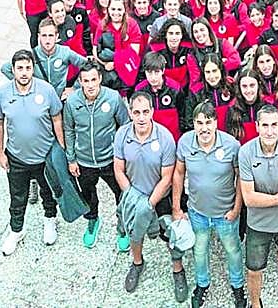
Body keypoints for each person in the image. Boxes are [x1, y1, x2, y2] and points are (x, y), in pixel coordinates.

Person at [114, 91, 186, 300]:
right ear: (130, 113)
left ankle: (177, 269)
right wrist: (133, 198)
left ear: (152, 111)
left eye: (145, 111)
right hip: (133, 195)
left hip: (160, 197)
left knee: (170, 236)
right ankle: (137, 262)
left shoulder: (165, 137)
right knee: (134, 232)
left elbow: (167, 177)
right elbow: (119, 169)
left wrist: (150, 203)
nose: (141, 117)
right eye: (136, 112)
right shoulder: (122, 135)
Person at [173, 102, 245, 307]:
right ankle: (202, 284)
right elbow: (179, 173)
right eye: (199, 122)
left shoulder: (231, 145)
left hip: (225, 213)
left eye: (208, 122)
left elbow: (240, 178)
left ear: (216, 123)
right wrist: (177, 208)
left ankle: (238, 286)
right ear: (193, 124)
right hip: (198, 212)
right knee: (199, 250)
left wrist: (236, 209)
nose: (204, 128)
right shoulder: (185, 142)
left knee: (233, 250)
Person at [0, 49, 65, 256]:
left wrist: (62, 149)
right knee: (17, 198)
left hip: (44, 156)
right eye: (20, 68)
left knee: (48, 193)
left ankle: (50, 221)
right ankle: (16, 230)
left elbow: (57, 118)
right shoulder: (3, 93)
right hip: (16, 157)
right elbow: (0, 123)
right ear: (13, 70)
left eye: (28, 68)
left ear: (33, 68)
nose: (24, 72)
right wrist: (0, 152)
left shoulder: (46, 90)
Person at [238, 104, 278, 308]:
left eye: (274, 125)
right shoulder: (246, 152)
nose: (270, 130)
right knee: (254, 268)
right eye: (265, 125)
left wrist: (264, 198)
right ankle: (255, 303)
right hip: (258, 224)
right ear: (256, 126)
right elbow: (248, 199)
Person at [64, 60, 131, 249]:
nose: (91, 85)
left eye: (94, 79)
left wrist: (122, 157)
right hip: (84, 162)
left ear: (100, 78)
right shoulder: (72, 102)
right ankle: (93, 220)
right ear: (80, 81)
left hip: (110, 160)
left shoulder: (113, 98)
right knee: (88, 195)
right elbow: (69, 130)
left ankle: (123, 225)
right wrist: (71, 159)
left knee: (120, 194)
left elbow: (125, 126)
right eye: (86, 81)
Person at [2, 18, 88, 98]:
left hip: (59, 97)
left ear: (57, 36)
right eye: (44, 35)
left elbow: (87, 65)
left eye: (50, 35)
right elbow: (5, 68)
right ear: (39, 36)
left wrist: (74, 87)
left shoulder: (65, 52)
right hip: (38, 99)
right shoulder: (32, 55)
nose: (47, 40)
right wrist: (24, 84)